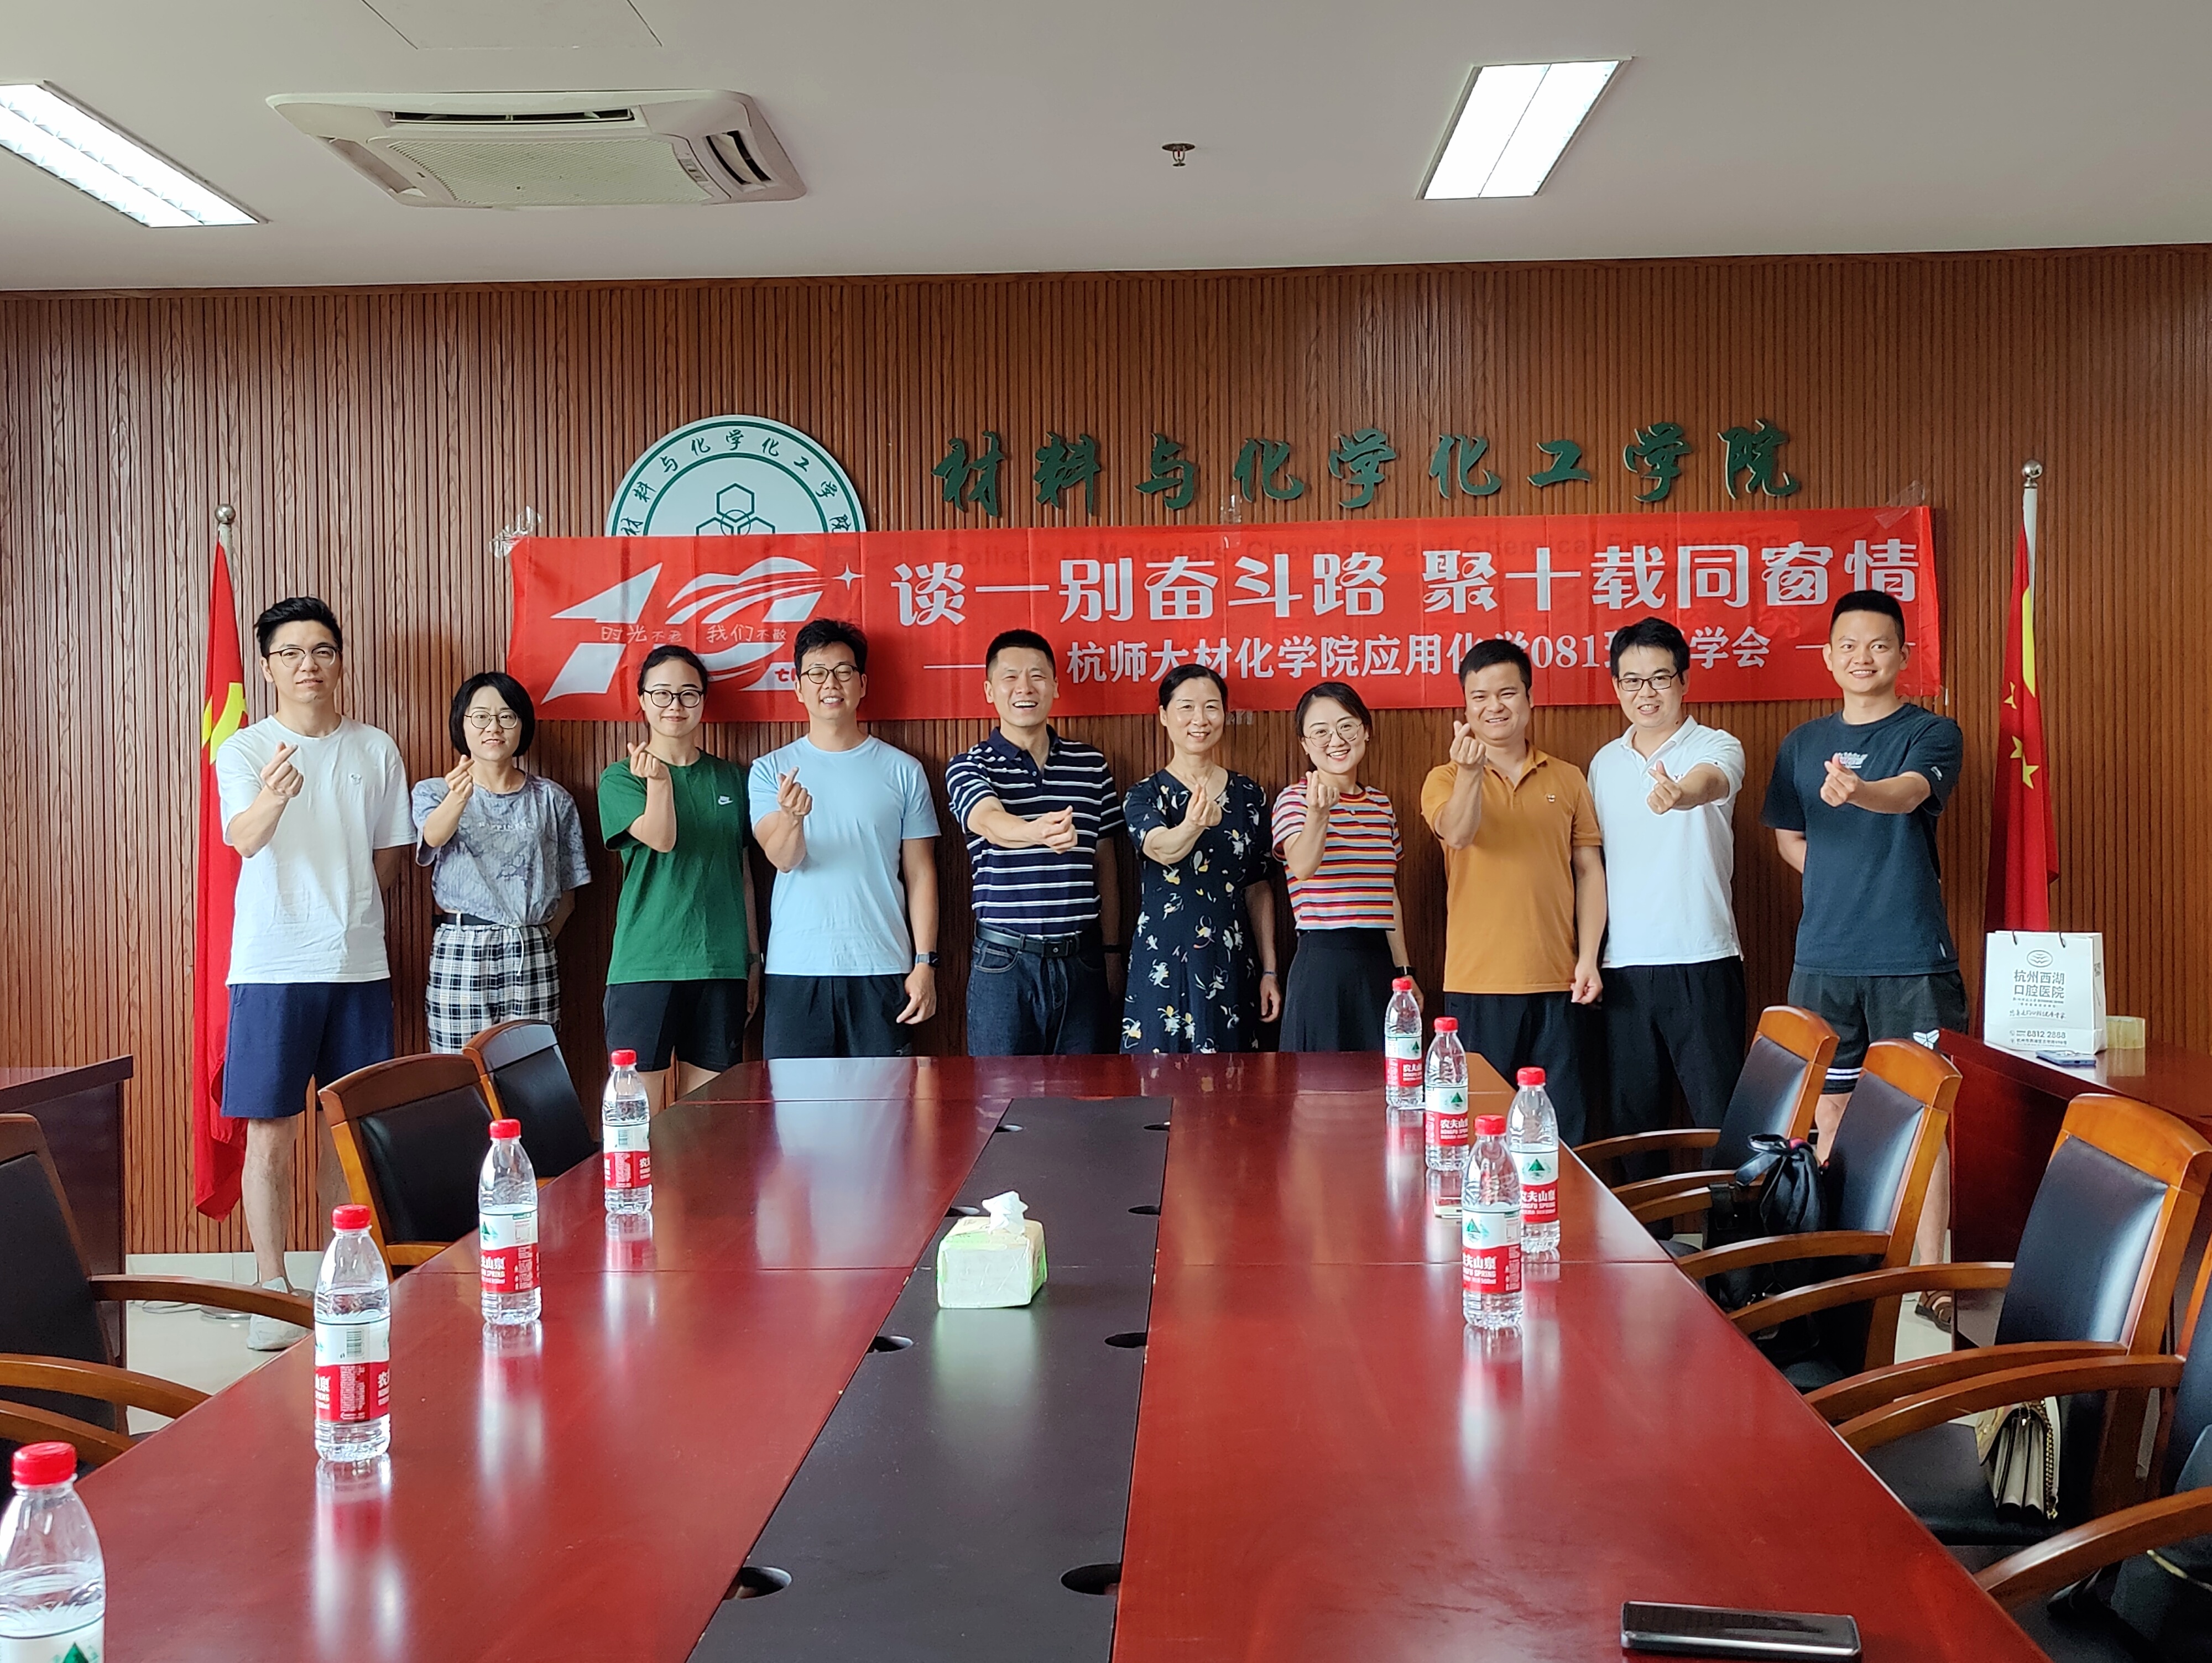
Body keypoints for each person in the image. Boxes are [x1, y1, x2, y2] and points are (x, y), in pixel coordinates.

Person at [1763, 588, 1966, 1322]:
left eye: (1878, 645)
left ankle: (1932, 1273)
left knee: (1924, 1115)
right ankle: (1852, 1267)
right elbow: (1788, 835)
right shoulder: (1801, 743)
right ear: (1827, 656)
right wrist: (1835, 876)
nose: (1862, 657)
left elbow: (1909, 795)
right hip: (1823, 956)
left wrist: (1859, 792)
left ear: (1903, 655)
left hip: (1910, 957)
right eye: (1848, 645)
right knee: (1832, 1114)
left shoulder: (1931, 732)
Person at [215, 597, 410, 1349]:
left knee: (345, 1132)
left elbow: (390, 857)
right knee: (270, 1130)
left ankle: (342, 1276)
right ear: (268, 667)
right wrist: (273, 796)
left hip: (359, 965)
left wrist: (350, 909)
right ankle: (271, 1286)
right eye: (291, 653)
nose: (309, 665)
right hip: (272, 964)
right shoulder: (243, 749)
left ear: (340, 660)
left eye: (323, 650)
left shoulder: (375, 748)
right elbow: (245, 839)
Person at [1421, 639, 1605, 1143]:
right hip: (1477, 984)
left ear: (1529, 699)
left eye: (1506, 693)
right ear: (1465, 708)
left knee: (1562, 1133)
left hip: (1559, 981)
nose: (1494, 706)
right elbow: (1458, 833)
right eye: (1479, 697)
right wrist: (1471, 774)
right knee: (1480, 1131)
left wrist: (1589, 958)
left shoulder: (1567, 778)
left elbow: (1589, 872)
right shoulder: (1444, 779)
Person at [1588, 619, 1747, 1175]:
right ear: (1616, 687)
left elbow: (1711, 781)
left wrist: (1680, 793)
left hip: (1703, 958)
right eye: (1632, 681)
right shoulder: (1604, 764)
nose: (1646, 693)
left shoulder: (1717, 746)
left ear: (1684, 680)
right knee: (1634, 1131)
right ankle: (1641, 1234)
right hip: (1624, 967)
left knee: (1720, 1124)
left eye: (1659, 678)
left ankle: (1731, 1237)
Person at [748, 620, 941, 1059]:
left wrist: (925, 963)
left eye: (843, 671)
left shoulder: (904, 770)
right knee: (796, 1100)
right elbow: (783, 859)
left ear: (862, 683)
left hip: (883, 964)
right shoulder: (770, 770)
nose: (830, 684)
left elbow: (921, 873)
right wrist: (792, 818)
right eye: (817, 673)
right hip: (796, 968)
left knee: (887, 1099)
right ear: (798, 687)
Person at [945, 630, 1125, 1057]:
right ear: (990, 690)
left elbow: (1107, 866)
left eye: (1037, 676)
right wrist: (1035, 832)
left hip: (1084, 960)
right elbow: (988, 820)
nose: (1024, 688)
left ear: (1056, 687)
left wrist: (1113, 953)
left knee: (1085, 1093)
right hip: (1005, 963)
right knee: (999, 1094)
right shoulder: (969, 764)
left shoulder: (1091, 765)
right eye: (1010, 677)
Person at [598, 645, 759, 1111]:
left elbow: (743, 874)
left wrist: (752, 958)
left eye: (689, 694)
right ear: (642, 700)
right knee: (637, 1115)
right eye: (662, 694)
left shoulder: (731, 779)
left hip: (721, 965)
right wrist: (660, 783)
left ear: (703, 701)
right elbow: (662, 838)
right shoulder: (621, 778)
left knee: (707, 1120)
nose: (676, 705)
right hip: (646, 963)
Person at [411, 672, 591, 1054]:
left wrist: (534, 937)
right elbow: (433, 837)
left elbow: (568, 893)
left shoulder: (553, 799)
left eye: (507, 716)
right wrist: (458, 798)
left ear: (522, 725)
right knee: (459, 1072)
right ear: (462, 724)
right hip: (462, 948)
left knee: (531, 1070)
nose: (493, 727)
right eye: (480, 717)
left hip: (530, 946)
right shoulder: (435, 791)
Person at [1122, 663, 1280, 1054]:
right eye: (1186, 707)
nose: (1200, 719)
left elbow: (1259, 887)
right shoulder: (1144, 795)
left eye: (1211, 707)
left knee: (1233, 1082)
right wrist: (1192, 825)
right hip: (1162, 963)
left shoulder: (1249, 795)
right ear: (1164, 715)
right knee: (1156, 1080)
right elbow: (1162, 848)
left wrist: (1270, 970)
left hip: (1230, 961)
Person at [1272, 681, 1416, 1051]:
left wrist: (1404, 971)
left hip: (1378, 963)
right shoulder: (1294, 800)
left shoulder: (1381, 805)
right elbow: (1302, 866)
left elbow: (1389, 895)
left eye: (1346, 726)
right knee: (1319, 1082)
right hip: (1323, 966)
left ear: (1365, 730)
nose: (1336, 740)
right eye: (1320, 732)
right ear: (1305, 744)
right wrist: (1319, 814)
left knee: (1382, 1077)